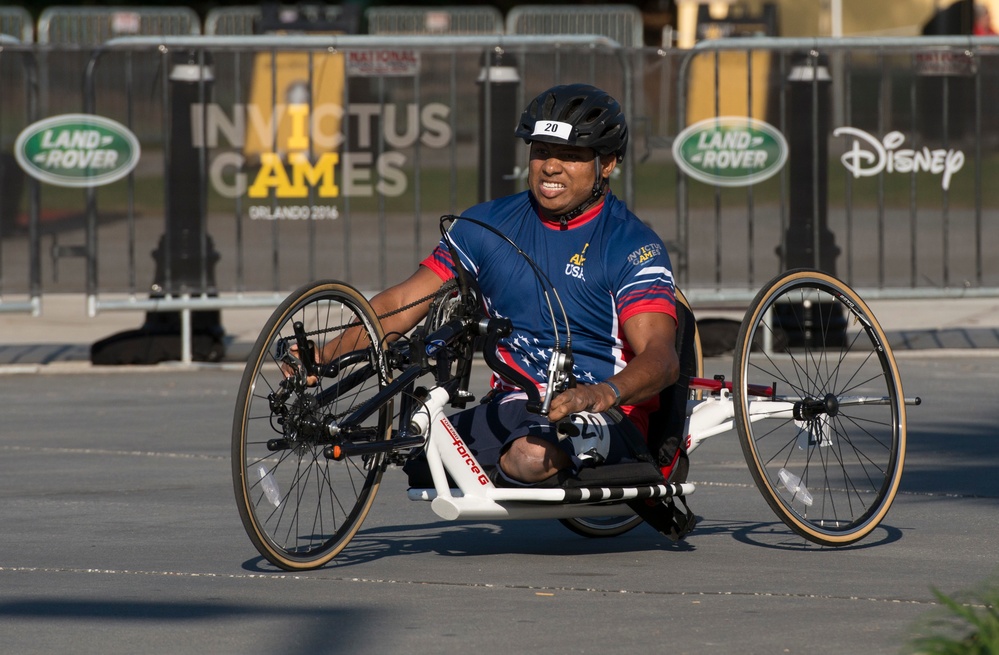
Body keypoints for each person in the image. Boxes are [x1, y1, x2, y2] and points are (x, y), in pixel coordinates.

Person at [313, 83, 679, 487]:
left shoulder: (631, 245)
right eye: (540, 152)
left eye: (571, 157)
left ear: (606, 164)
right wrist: (324, 356)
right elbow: (401, 301)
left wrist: (602, 394)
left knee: (528, 456)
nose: (550, 167)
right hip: (516, 403)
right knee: (417, 452)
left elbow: (661, 357)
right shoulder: (485, 226)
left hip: (603, 410)